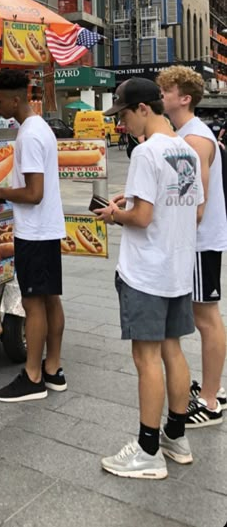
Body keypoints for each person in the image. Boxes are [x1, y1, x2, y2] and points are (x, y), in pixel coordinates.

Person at [95, 78, 203, 479]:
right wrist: (133, 202)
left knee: (146, 358)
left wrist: (115, 213)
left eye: (123, 115)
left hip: (146, 271)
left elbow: (141, 218)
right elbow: (191, 208)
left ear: (143, 109)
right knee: (173, 350)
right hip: (177, 269)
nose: (122, 124)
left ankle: (147, 449)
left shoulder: (146, 152)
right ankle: (177, 436)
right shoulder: (185, 150)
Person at [0, 69, 67, 403]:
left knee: (33, 304)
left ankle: (33, 377)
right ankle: (53, 369)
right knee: (49, 299)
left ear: (16, 99)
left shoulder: (29, 135)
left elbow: (34, 193)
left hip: (35, 231)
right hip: (46, 229)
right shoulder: (39, 128)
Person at [157, 66, 227, 426]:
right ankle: (210, 390)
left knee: (206, 316)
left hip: (199, 244)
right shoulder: (185, 134)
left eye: (166, 90)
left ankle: (212, 400)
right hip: (196, 242)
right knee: (203, 315)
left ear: (184, 98)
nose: (161, 95)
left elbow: (194, 202)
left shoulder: (195, 139)